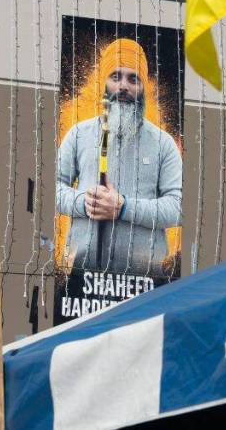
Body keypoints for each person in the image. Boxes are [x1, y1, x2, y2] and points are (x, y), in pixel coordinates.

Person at [56, 38, 182, 276]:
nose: (123, 86)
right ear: (104, 83)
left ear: (143, 88)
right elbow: (52, 189)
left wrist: (124, 207)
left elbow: (178, 207)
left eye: (133, 79)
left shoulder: (163, 143)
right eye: (116, 77)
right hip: (81, 276)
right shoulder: (79, 134)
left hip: (146, 280)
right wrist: (85, 203)